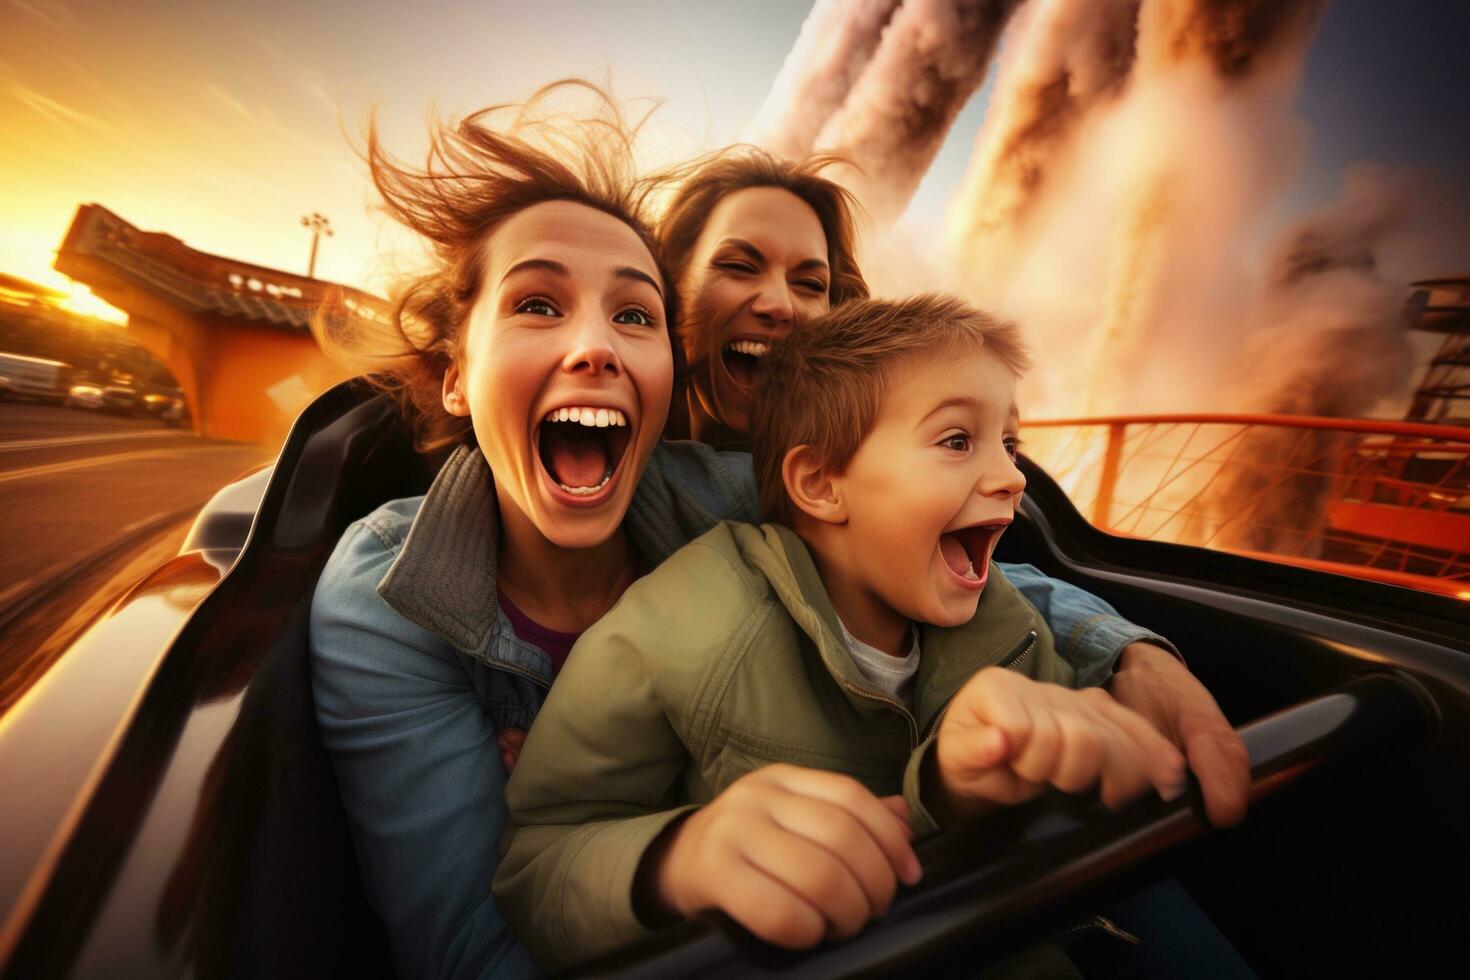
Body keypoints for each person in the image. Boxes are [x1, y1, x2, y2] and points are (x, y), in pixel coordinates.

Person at [309, 88, 1233, 979]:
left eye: (631, 315)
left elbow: (968, 577)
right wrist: (670, 854)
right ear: (455, 374)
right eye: (536, 305)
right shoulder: (391, 595)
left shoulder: (733, 497)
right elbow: (488, 923)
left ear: (664, 353)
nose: (593, 346)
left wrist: (1123, 655)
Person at [494, 295, 1188, 969]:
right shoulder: (683, 624)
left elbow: (1066, 814)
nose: (1011, 478)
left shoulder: (1006, 623)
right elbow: (539, 860)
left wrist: (965, 789)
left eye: (1010, 444)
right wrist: (681, 860)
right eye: (957, 440)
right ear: (822, 485)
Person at [654, 147, 1249, 829]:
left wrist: (1125, 653)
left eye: (811, 284)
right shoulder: (644, 478)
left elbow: (982, 576)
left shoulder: (879, 469)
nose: (780, 305)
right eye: (738, 265)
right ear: (670, 288)